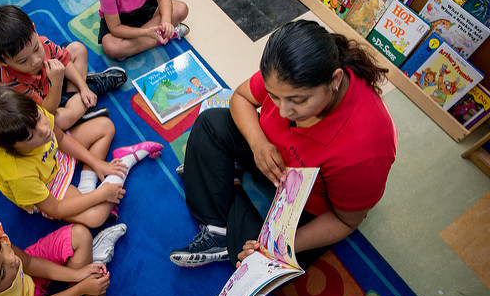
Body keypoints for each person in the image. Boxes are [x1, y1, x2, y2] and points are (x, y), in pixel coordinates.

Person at [170, 19, 397, 269]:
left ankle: (228, 182)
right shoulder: (287, 70)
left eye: (297, 101)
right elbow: (242, 97)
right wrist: (257, 144)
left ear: (335, 80)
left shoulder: (366, 147)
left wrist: (276, 244)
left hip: (304, 204)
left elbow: (345, 221)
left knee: (250, 258)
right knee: (210, 123)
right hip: (270, 156)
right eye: (274, 96)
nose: (284, 111)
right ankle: (219, 222)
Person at [0, 85, 163, 228]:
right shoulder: (19, 174)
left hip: (55, 156)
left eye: (39, 118)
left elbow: (60, 138)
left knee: (105, 126)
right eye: (31, 135)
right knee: (95, 217)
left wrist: (97, 163)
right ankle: (126, 161)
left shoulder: (28, 115)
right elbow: (56, 208)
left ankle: (89, 183)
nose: (44, 129)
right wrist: (100, 195)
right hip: (48, 185)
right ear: (11, 147)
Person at [0, 5, 128, 131]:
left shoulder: (43, 42)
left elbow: (65, 60)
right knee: (58, 122)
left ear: (34, 30)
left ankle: (82, 98)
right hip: (44, 103)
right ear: (2, 63)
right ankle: (93, 88)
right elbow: (47, 111)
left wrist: (83, 88)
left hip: (54, 81)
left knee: (77, 49)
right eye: (23, 61)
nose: (36, 61)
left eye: (36, 48)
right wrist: (57, 82)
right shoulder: (9, 82)